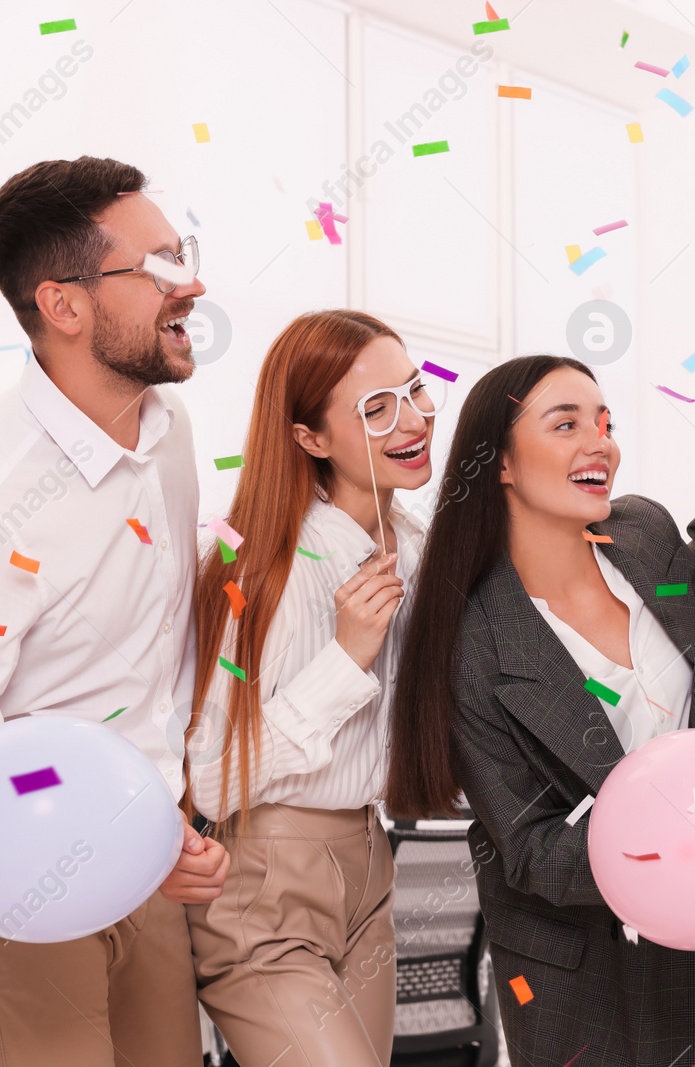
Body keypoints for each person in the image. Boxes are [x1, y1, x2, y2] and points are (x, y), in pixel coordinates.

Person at [386, 354, 695, 1066]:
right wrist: (669, 859)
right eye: (567, 424)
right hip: (593, 977)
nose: (601, 443)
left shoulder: (641, 532)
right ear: (498, 461)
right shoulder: (469, 639)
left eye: (605, 422)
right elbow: (525, 849)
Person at [0, 156, 227, 1064]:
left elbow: (159, 668)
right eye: (159, 267)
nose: (194, 283)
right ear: (65, 305)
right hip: (28, 883)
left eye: (186, 254)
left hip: (150, 869)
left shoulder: (171, 436)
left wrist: (168, 819)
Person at [183, 309, 439, 1065]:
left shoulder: (419, 546)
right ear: (310, 438)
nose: (413, 419)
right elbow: (209, 777)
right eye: (376, 407)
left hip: (370, 867)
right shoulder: (266, 564)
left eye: (416, 390)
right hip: (263, 880)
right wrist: (346, 659)